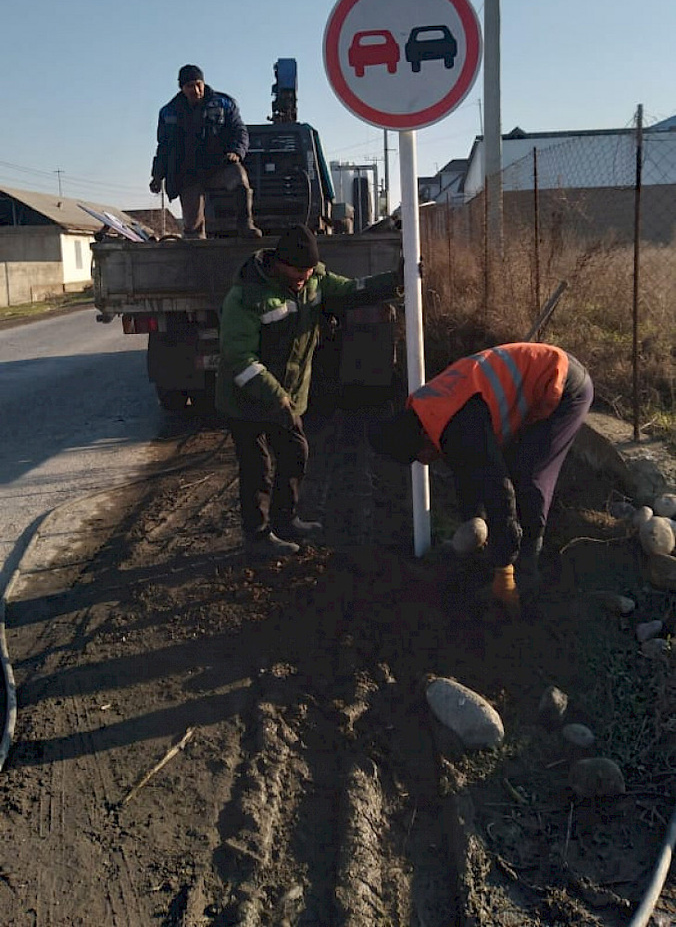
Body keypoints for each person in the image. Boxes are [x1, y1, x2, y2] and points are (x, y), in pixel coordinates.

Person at [216, 223, 402, 557]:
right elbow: (239, 358)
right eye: (297, 271)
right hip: (246, 400)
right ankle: (257, 536)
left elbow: (352, 290)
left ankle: (286, 521)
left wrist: (395, 281)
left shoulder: (314, 280)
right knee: (257, 467)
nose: (303, 277)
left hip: (287, 398)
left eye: (308, 271)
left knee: (295, 454)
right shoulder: (246, 296)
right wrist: (276, 397)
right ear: (278, 263)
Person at [368, 342, 593, 608]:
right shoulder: (427, 411)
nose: (425, 461)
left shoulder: (459, 427)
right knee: (499, 466)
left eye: (420, 456)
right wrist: (472, 526)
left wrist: (503, 570)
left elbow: (499, 489)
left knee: (528, 475)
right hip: (532, 375)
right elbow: (466, 471)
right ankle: (497, 552)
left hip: (562, 383)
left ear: (420, 440)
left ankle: (526, 570)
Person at [149, 64, 261, 240]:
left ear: (204, 83)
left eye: (198, 84)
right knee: (192, 229)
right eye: (189, 86)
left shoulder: (224, 104)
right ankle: (196, 252)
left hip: (220, 166)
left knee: (239, 177)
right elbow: (164, 147)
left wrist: (236, 152)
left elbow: (240, 131)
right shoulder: (168, 112)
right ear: (182, 88)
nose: (195, 89)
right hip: (188, 173)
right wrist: (157, 176)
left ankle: (245, 224)